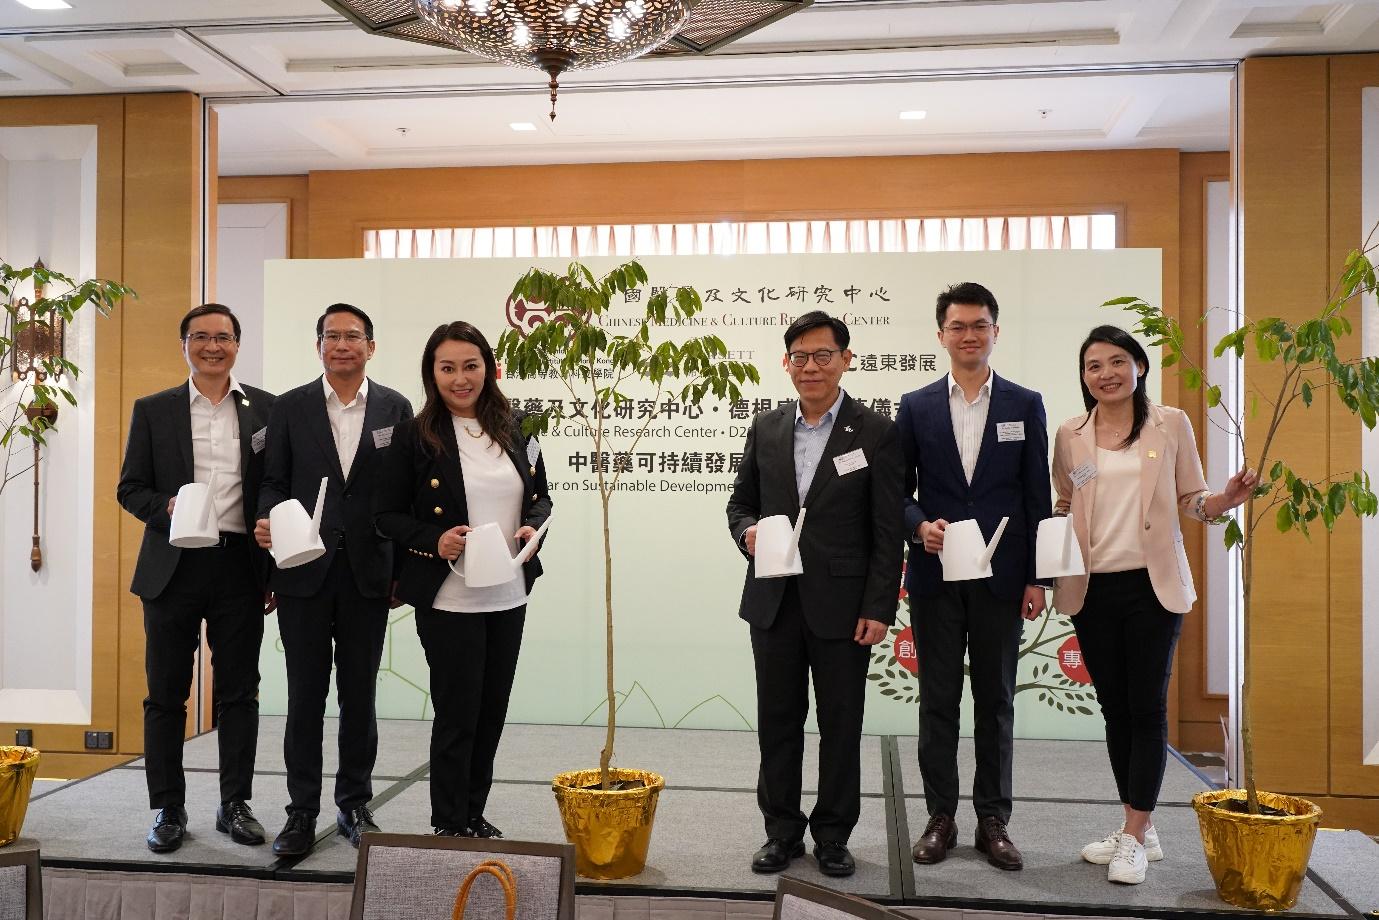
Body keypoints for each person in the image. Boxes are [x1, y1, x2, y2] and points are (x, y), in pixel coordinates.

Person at [1052, 324, 1255, 885]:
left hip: (1152, 588)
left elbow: (1195, 499)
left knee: (1146, 708)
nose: (1106, 374)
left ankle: (1136, 837)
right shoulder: (1071, 433)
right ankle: (1136, 823)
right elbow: (1065, 502)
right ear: (1085, 376)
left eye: (1117, 361)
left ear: (1139, 366)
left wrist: (1225, 501)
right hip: (1091, 589)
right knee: (1115, 710)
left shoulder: (1170, 424)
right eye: (1094, 366)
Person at [726, 310, 904, 879]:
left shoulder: (875, 431)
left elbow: (887, 528)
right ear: (787, 363)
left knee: (840, 723)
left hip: (845, 607)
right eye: (799, 357)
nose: (810, 367)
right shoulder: (767, 426)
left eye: (823, 355)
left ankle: (833, 835)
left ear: (846, 360)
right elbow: (739, 505)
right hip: (774, 601)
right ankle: (780, 831)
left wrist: (880, 607)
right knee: (777, 720)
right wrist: (746, 533)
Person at [375, 321, 551, 838]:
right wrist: (434, 540)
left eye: (470, 366)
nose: (460, 378)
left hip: (509, 590)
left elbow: (541, 496)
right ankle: (448, 822)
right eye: (447, 368)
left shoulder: (519, 425)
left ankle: (475, 812)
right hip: (449, 595)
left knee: (492, 712)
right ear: (432, 374)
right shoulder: (414, 435)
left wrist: (533, 528)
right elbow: (385, 515)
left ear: (489, 368)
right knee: (458, 715)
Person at [896, 282, 1051, 872]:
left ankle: (993, 820)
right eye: (957, 326)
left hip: (1002, 578)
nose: (968, 335)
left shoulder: (1024, 403)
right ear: (941, 335)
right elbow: (897, 492)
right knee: (937, 702)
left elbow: (1037, 494)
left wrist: (1037, 577)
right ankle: (941, 816)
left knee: (997, 701)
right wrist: (918, 528)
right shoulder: (916, 406)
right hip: (936, 576)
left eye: (979, 325)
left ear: (995, 331)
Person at [254, 302, 413, 855]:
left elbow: (402, 493)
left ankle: (354, 803)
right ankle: (300, 812)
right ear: (318, 346)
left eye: (353, 336)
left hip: (369, 574)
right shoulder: (290, 407)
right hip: (304, 572)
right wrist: (270, 522)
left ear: (371, 345)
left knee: (359, 696)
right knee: (304, 698)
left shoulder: (396, 407)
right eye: (332, 336)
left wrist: (401, 566)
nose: (342, 345)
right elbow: (272, 482)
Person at [117, 303, 276, 854]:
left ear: (238, 344)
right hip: (172, 566)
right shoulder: (154, 410)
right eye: (201, 337)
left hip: (239, 565)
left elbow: (277, 487)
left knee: (239, 694)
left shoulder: (266, 411)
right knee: (165, 696)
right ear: (184, 344)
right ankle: (167, 807)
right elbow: (130, 488)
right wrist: (172, 508)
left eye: (224, 337)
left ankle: (235, 804)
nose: (213, 346)